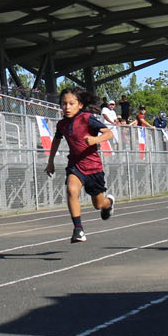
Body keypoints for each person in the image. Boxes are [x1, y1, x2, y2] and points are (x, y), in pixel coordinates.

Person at [45, 87, 115, 244]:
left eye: (71, 103)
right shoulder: (61, 124)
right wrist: (50, 162)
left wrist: (95, 140)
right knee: (71, 189)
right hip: (75, 165)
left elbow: (109, 133)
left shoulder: (87, 118)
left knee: (98, 204)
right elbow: (56, 140)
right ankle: (78, 229)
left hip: (93, 167)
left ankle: (108, 204)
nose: (67, 107)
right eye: (64, 104)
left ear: (80, 105)